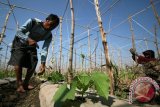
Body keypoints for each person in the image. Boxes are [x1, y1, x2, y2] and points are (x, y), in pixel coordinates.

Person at [8, 14, 59, 92]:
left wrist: (43, 63)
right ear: (47, 20)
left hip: (32, 45)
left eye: (54, 27)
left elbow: (44, 49)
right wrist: (28, 39)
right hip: (20, 42)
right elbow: (19, 32)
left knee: (34, 62)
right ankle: (19, 84)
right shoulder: (33, 22)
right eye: (51, 25)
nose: (51, 28)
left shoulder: (49, 35)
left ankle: (25, 83)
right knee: (19, 61)